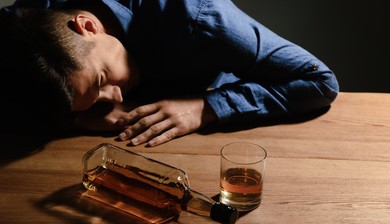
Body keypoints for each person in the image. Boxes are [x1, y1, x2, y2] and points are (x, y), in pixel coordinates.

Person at [0, 0, 338, 146]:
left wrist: (205, 109)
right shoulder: (23, 29)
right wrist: (72, 119)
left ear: (88, 26)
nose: (116, 98)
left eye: (102, 80)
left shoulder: (199, 19)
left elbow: (320, 82)